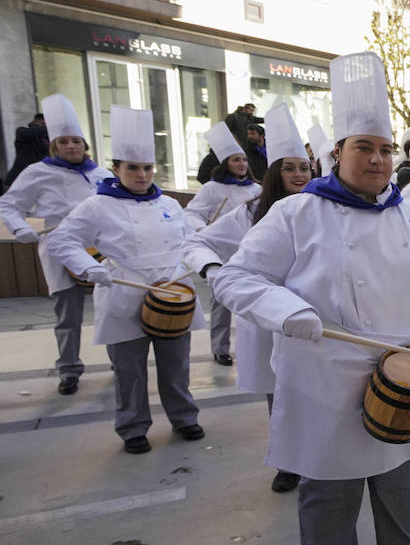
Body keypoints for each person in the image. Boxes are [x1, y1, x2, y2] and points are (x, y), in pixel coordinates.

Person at [214, 52, 410, 545]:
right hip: (326, 379)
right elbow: (235, 278)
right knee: (330, 494)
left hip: (406, 375)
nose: (377, 159)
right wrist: (287, 310)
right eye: (364, 147)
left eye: (386, 149)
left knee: (400, 480)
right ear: (337, 152)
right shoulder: (297, 214)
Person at [47, 106, 204, 454]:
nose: (142, 174)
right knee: (129, 369)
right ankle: (133, 426)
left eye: (147, 167)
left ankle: (184, 417)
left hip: (173, 292)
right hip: (123, 292)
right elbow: (61, 240)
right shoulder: (97, 205)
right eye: (133, 168)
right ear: (116, 169)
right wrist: (88, 268)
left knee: (176, 363)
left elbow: (191, 240)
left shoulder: (170, 204)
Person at [182, 103, 314, 493]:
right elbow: (196, 242)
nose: (298, 174)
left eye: (304, 167)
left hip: (316, 318)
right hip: (268, 321)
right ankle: (288, 463)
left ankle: (318, 459)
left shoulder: (323, 209)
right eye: (289, 168)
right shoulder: (250, 213)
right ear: (274, 173)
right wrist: (214, 270)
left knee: (319, 395)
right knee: (281, 398)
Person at [0, 94, 112, 393]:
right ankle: (69, 369)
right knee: (68, 314)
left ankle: (119, 360)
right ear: (55, 145)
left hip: (101, 250)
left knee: (112, 308)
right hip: (59, 248)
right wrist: (19, 227)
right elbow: (8, 205)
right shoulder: (37, 172)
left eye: (76, 141)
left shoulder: (101, 174)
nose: (71, 146)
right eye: (64, 142)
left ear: (84, 144)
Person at [184, 122, 263, 367]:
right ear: (225, 163)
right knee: (220, 304)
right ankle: (220, 347)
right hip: (224, 254)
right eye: (236, 160)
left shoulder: (258, 189)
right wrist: (204, 230)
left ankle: (253, 349)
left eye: (244, 160)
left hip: (251, 254)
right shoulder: (211, 188)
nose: (241, 164)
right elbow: (191, 213)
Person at [4, 112, 47, 189]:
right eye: (43, 123)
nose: (44, 126)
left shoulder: (45, 138)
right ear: (36, 121)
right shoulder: (22, 131)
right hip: (17, 179)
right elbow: (30, 132)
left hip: (35, 180)